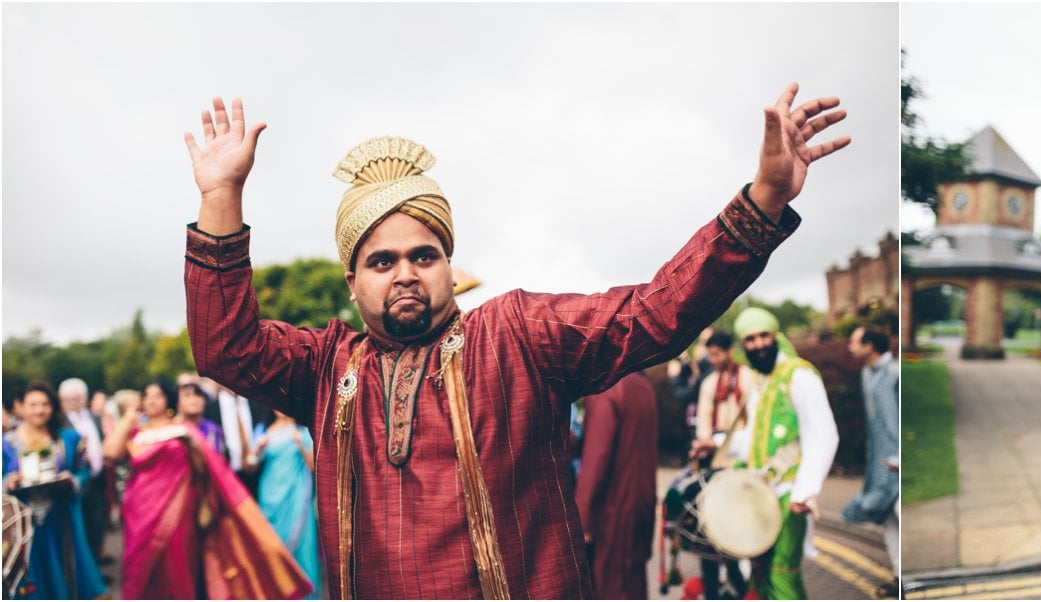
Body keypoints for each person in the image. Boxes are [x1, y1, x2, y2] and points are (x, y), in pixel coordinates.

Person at [179, 85, 847, 598]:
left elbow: (656, 313)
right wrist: (221, 196)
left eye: (425, 254)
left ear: (449, 264)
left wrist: (762, 200)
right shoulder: (326, 368)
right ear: (353, 283)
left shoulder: (518, 334)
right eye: (382, 262)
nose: (406, 272)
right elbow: (223, 346)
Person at [103, 383, 310, 599]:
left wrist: (193, 448)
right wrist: (128, 418)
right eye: (147, 396)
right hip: (139, 510)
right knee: (137, 566)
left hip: (178, 511)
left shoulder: (183, 430)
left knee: (177, 568)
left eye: (159, 395)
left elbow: (207, 469)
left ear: (168, 400)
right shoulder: (136, 432)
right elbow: (110, 453)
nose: (152, 400)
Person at [691, 308, 839, 599]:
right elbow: (755, 439)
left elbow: (823, 434)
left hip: (790, 492)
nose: (758, 344)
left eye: (763, 336)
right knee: (761, 570)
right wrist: (718, 442)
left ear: (775, 335)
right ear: (743, 346)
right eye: (750, 339)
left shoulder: (799, 375)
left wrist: (805, 492)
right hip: (763, 493)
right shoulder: (761, 380)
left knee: (782, 571)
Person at [3, 382, 106, 600]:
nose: (39, 410)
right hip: (24, 527)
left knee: (65, 571)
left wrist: (72, 480)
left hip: (61, 520)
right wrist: (7, 481)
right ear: (19, 406)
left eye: (45, 404)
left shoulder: (67, 438)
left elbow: (83, 472)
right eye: (32, 405)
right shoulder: (6, 443)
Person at [573, 372, 658, 600]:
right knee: (632, 584)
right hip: (640, 504)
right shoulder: (643, 386)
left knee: (609, 587)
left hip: (612, 509)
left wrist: (583, 522)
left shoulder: (606, 388)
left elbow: (596, 457)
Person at [691, 329, 752, 599]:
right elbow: (703, 421)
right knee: (712, 527)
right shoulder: (708, 384)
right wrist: (703, 444)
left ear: (730, 351)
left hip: (742, 462)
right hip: (715, 464)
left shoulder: (748, 378)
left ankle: (741, 584)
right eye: (710, 355)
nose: (713, 359)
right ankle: (713, 588)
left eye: (718, 354)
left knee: (739, 525)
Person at [843, 325, 899, 597]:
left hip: (899, 461)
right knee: (888, 518)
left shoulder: (895, 372)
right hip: (880, 461)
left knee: (900, 513)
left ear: (870, 346)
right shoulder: (867, 374)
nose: (849, 347)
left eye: (854, 342)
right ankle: (899, 576)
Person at [250, 410, 323, 600]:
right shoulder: (263, 430)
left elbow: (314, 466)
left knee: (303, 546)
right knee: (273, 545)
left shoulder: (302, 431)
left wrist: (300, 444)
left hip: (297, 495)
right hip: (270, 494)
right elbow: (250, 464)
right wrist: (258, 449)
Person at [58, 378, 112, 567]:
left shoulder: (95, 417)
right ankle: (85, 573)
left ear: (85, 398)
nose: (74, 401)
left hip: (98, 479)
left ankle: (96, 566)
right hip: (75, 481)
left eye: (77, 397)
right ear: (62, 401)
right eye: (69, 398)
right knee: (80, 529)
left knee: (97, 524)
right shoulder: (59, 422)